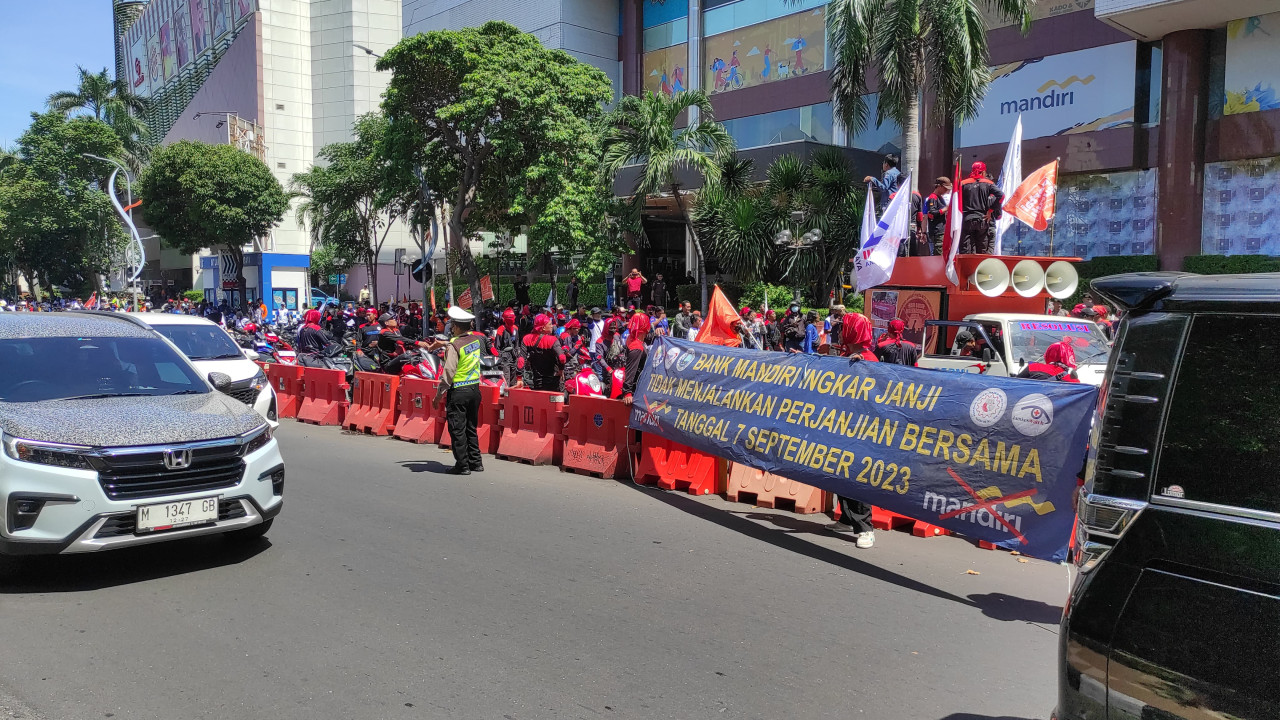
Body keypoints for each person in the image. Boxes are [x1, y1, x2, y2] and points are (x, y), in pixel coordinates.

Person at [433, 306, 484, 475]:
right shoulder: (476, 341)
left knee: (457, 428)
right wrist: (445, 343)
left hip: (459, 391)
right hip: (475, 389)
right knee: (471, 427)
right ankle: (476, 462)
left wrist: (438, 395)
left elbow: (448, 373)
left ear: (455, 327)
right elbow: (462, 343)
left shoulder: (454, 346)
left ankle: (462, 465)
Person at [959, 161, 1004, 254]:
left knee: (966, 250)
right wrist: (990, 210)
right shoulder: (988, 183)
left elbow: (955, 200)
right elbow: (1001, 196)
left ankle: (967, 267)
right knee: (982, 250)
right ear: (983, 172)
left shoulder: (963, 183)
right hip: (983, 220)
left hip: (966, 220)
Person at [520, 314, 567, 391]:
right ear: (543, 327)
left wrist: (519, 377)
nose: (552, 326)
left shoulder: (527, 339)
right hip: (553, 381)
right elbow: (562, 358)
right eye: (550, 324)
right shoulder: (553, 340)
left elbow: (521, 359)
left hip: (537, 381)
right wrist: (561, 369)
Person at [620, 311, 651, 404]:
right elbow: (631, 370)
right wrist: (627, 393)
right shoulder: (637, 347)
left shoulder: (632, 339)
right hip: (636, 391)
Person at [493, 307, 524, 385]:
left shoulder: (515, 329)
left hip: (514, 357)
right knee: (506, 379)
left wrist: (517, 354)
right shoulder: (501, 330)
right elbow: (497, 347)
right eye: (509, 319)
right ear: (505, 320)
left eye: (512, 318)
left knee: (514, 380)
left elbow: (517, 343)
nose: (511, 320)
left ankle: (512, 394)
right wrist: (502, 357)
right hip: (505, 358)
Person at [924, 177, 952, 256]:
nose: (946, 191)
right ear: (939, 186)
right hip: (937, 231)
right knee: (938, 253)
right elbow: (932, 212)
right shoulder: (933, 198)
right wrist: (945, 209)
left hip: (941, 229)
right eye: (945, 188)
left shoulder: (940, 197)